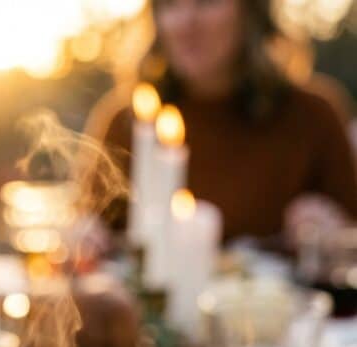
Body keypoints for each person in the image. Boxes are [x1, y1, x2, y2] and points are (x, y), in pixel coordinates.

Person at [92, 0, 357, 245]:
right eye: (170, 3)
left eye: (207, 1)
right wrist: (83, 238)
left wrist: (337, 235)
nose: (186, 22)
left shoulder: (313, 118)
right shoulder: (128, 123)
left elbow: (349, 238)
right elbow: (86, 231)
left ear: (250, 11)